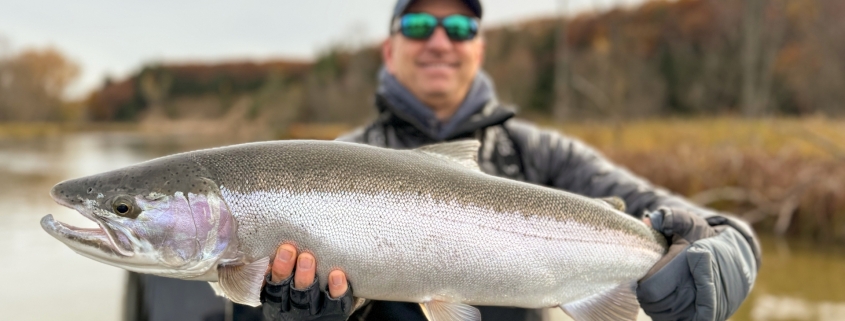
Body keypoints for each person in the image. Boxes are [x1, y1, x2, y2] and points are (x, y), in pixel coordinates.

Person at [259, 0, 761, 320]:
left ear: (479, 51)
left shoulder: (544, 154)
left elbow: (725, 234)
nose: (439, 41)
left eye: (460, 27)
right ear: (389, 51)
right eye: (419, 25)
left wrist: (717, 264)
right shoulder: (333, 163)